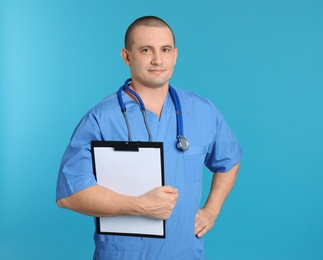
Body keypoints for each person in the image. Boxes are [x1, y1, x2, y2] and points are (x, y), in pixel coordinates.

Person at [56, 15, 242, 259]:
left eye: (165, 49)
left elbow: (229, 159)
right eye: (146, 50)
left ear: (175, 55)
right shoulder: (101, 119)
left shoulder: (202, 111)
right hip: (124, 254)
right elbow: (70, 194)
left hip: (186, 253)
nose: (157, 59)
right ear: (127, 57)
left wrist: (212, 209)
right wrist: (139, 205)